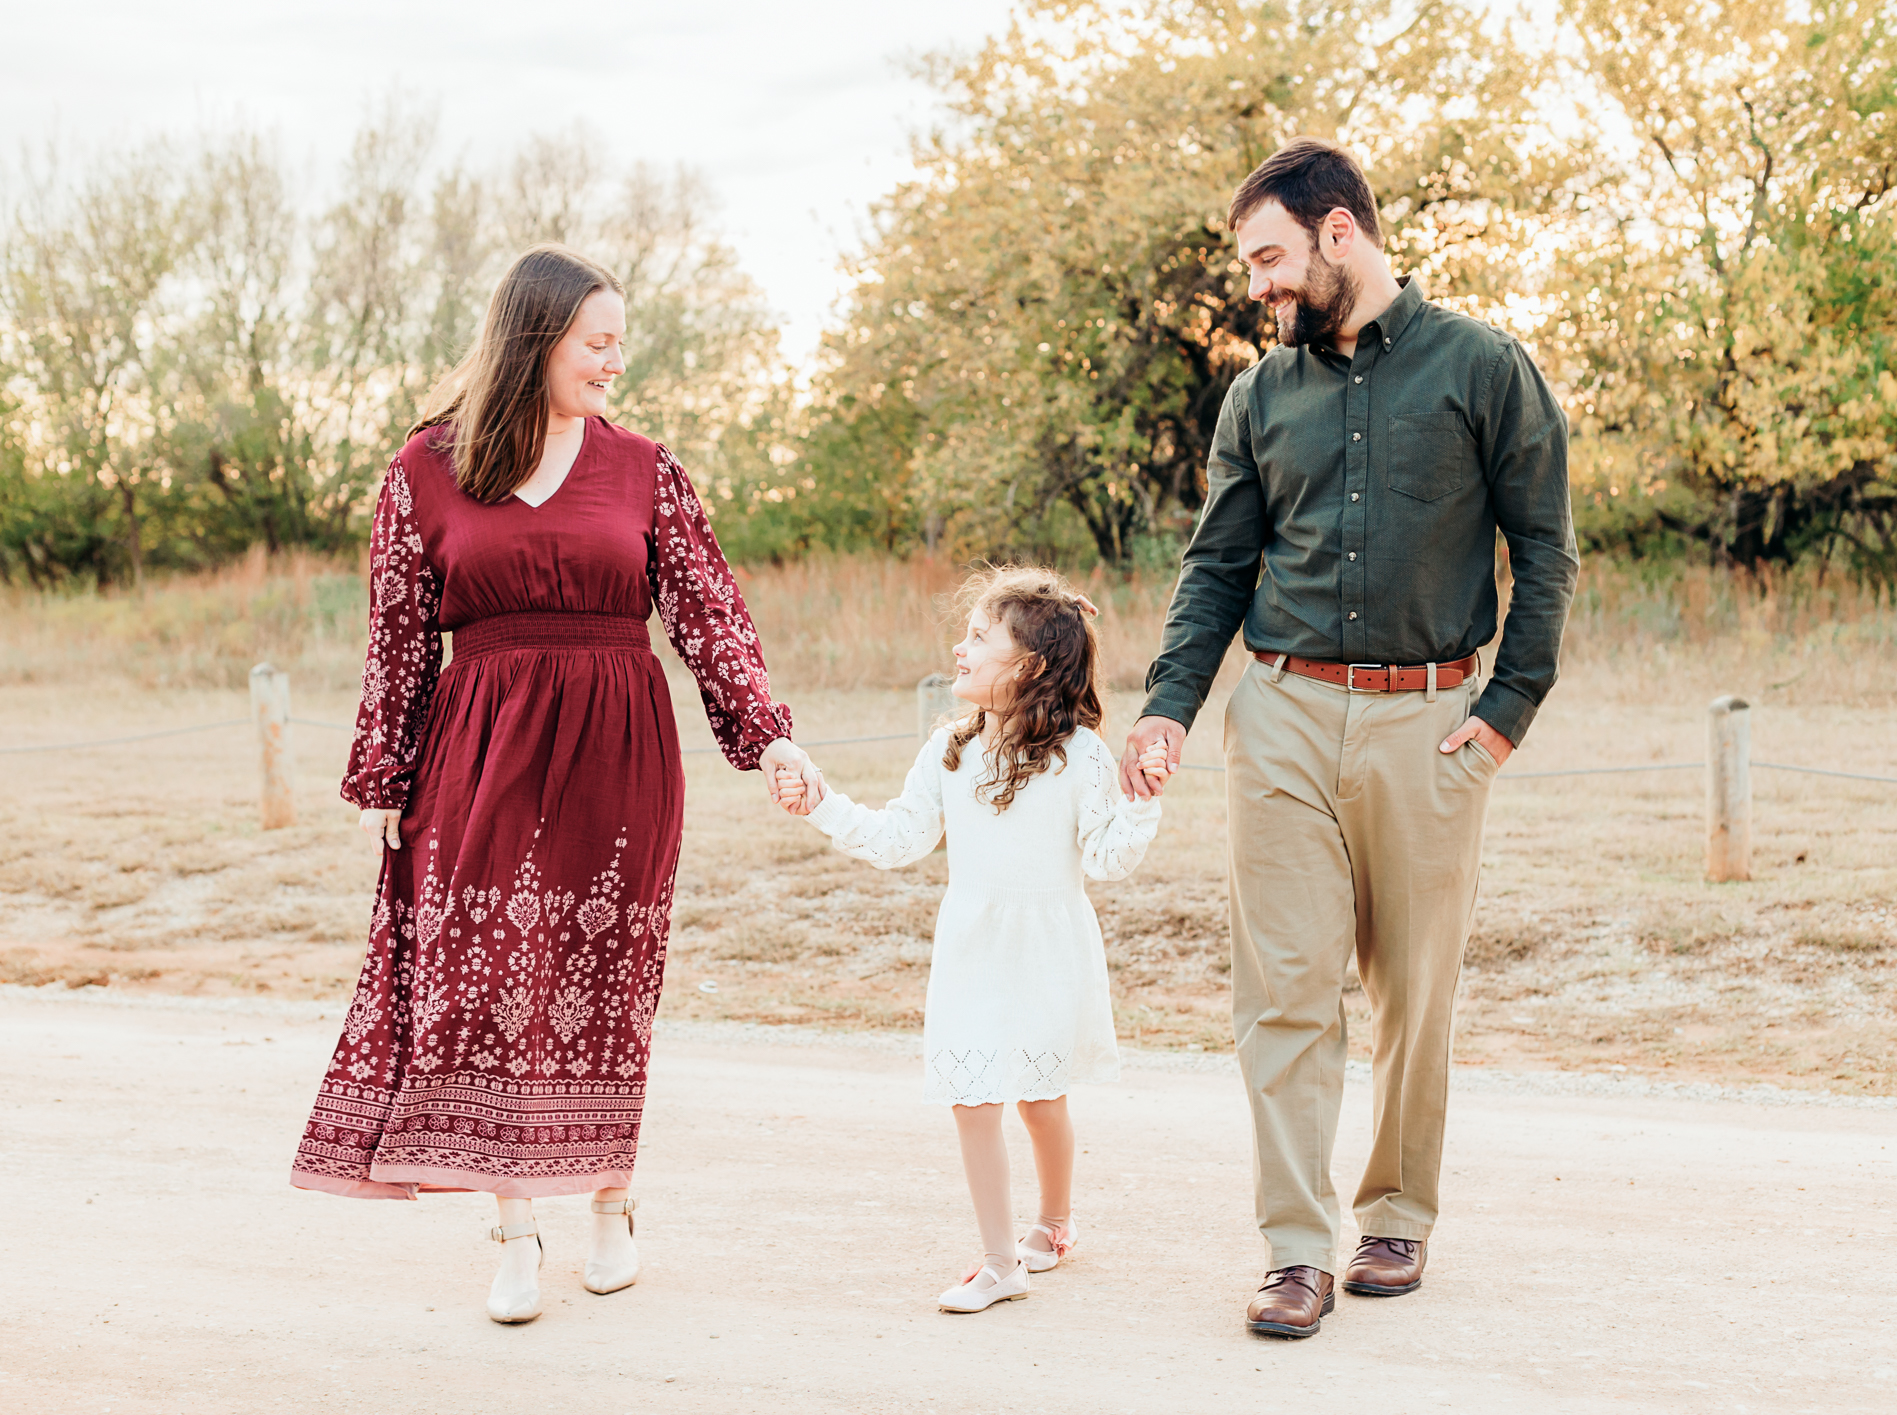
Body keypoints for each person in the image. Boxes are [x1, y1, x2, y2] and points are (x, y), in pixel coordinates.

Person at [288, 244, 824, 1325]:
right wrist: (383, 772)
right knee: (496, 983)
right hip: (475, 753)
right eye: (600, 341)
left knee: (605, 985)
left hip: (619, 755)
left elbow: (709, 614)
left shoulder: (646, 469)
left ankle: (611, 1204)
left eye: (619, 341)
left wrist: (768, 736)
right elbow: (396, 631)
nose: (616, 361)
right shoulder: (425, 468)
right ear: (537, 340)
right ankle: (514, 1226)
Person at [1122, 138, 1577, 1339]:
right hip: (1276, 711)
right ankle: (1292, 1244)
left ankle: (1397, 1211)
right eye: (1249, 267)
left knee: (1413, 989)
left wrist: (1506, 711)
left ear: (1339, 234)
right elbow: (1217, 562)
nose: (1258, 286)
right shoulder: (1258, 396)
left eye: (1270, 258)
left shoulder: (1484, 367)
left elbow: (1548, 550)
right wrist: (1171, 703)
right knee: (1283, 992)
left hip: (1433, 723)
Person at [775, 568, 1165, 1313]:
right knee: (971, 1098)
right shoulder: (950, 749)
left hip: (1049, 951)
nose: (959, 649)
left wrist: (1142, 802)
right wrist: (822, 803)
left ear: (1028, 666)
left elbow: (1110, 860)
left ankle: (1055, 1222)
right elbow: (897, 838)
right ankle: (998, 1261)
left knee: (1041, 1099)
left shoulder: (1079, 755)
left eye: (979, 637)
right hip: (972, 949)